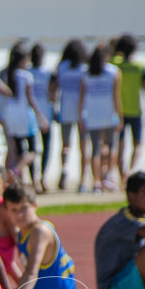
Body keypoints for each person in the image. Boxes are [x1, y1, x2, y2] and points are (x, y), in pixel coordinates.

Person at [0, 43, 48, 185]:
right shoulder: (26, 76)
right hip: (25, 117)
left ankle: (19, 181)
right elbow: (31, 99)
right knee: (33, 150)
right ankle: (17, 171)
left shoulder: (4, 74)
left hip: (10, 116)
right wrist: (41, 117)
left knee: (17, 150)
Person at [78, 44, 122, 194]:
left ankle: (97, 181)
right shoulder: (113, 72)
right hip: (109, 114)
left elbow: (82, 97)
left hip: (92, 116)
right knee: (111, 147)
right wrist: (120, 116)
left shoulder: (87, 73)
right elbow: (116, 97)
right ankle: (109, 177)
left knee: (95, 150)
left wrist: (81, 116)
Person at [113, 34, 145, 183]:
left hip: (118, 112)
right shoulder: (140, 67)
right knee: (137, 144)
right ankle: (130, 170)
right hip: (135, 110)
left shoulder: (114, 65)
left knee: (120, 145)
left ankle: (122, 174)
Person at [56, 39, 88, 192]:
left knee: (66, 145)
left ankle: (65, 169)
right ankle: (83, 179)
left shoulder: (62, 67)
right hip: (82, 111)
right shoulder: (84, 69)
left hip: (65, 109)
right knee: (83, 146)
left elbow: (55, 89)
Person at [29, 43, 57, 194]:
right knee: (36, 149)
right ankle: (36, 178)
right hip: (35, 116)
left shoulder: (48, 73)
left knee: (42, 148)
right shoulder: (28, 72)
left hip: (44, 115)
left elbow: (53, 94)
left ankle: (41, 177)